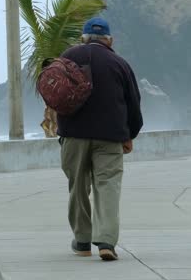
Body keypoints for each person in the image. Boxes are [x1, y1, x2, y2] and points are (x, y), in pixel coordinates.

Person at [56, 17, 143, 261]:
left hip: (73, 136)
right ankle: (106, 241)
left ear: (83, 38)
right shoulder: (119, 63)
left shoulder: (67, 57)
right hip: (110, 137)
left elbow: (53, 92)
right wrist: (129, 135)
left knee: (78, 186)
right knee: (108, 186)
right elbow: (133, 104)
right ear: (109, 40)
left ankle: (82, 241)